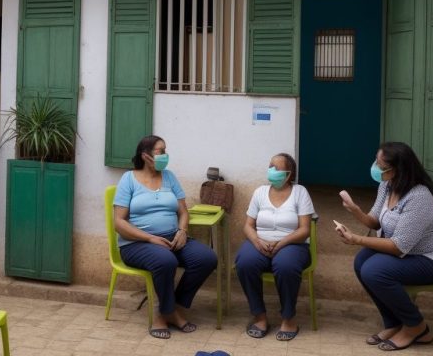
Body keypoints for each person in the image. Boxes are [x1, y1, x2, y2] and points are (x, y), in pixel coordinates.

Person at [335, 142, 433, 351]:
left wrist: (356, 239)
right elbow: (375, 222)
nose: (375, 168)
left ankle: (416, 326)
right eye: (376, 161)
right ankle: (393, 323)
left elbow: (398, 246)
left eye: (381, 166)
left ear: (398, 169)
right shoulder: (387, 185)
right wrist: (354, 209)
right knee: (361, 261)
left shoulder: (419, 197)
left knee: (374, 270)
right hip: (408, 253)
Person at [112, 135, 218, 339]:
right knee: (166, 261)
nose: (165, 155)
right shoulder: (128, 179)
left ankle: (173, 307)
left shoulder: (169, 177)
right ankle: (165, 314)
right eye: (161, 151)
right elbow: (119, 222)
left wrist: (182, 231)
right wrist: (150, 238)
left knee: (206, 258)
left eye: (166, 150)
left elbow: (183, 212)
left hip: (171, 238)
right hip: (137, 243)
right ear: (145, 156)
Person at [235, 153, 314, 341]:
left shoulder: (300, 192)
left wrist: (281, 244)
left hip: (292, 244)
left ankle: (289, 319)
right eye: (270, 166)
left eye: (276, 168)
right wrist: (257, 241)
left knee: (286, 266)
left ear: (289, 174)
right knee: (245, 263)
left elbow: (305, 230)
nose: (271, 170)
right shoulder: (260, 192)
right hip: (260, 243)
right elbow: (248, 226)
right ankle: (260, 317)